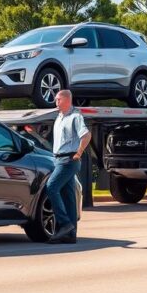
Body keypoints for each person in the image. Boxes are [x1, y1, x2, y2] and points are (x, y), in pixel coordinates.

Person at [45, 90, 91, 243]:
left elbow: (86, 135)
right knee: (69, 196)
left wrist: (79, 153)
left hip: (69, 160)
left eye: (58, 99)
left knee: (51, 187)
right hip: (58, 159)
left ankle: (64, 224)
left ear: (66, 100)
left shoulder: (75, 117)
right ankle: (70, 235)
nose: (55, 102)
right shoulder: (58, 118)